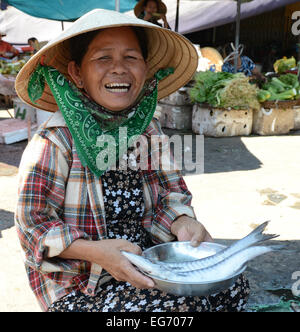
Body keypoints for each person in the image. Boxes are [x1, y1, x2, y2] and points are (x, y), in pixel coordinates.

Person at [15, 9, 249, 312]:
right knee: (173, 309)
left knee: (232, 284)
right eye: (103, 58)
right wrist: (97, 252)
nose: (119, 69)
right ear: (76, 73)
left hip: (144, 265)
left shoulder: (148, 130)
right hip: (80, 284)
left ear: (146, 69)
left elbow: (169, 193)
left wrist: (183, 221)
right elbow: (33, 228)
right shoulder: (55, 141)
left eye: (131, 58)